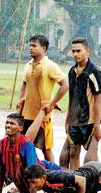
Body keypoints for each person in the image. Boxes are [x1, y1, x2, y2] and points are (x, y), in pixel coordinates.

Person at [17, 34, 68, 162]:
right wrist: (20, 100)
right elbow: (24, 84)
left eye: (34, 46)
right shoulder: (27, 65)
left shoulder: (50, 65)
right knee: (22, 147)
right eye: (30, 46)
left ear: (44, 48)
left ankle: (54, 175)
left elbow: (65, 85)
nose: (31, 48)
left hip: (42, 116)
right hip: (25, 114)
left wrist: (52, 103)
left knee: (46, 149)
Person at [0, 112, 60, 193]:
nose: (8, 125)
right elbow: (1, 169)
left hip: (47, 171)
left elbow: (33, 171)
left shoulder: (27, 144)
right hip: (22, 177)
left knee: (71, 186)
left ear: (20, 128)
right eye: (7, 122)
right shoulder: (2, 143)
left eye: (12, 123)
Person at [61, 37, 101, 169]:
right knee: (73, 152)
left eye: (79, 51)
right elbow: (71, 97)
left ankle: (93, 184)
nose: (75, 54)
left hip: (89, 121)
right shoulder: (72, 71)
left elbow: (98, 99)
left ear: (88, 51)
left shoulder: (94, 72)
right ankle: (76, 183)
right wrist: (68, 119)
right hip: (74, 121)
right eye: (73, 51)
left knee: (90, 158)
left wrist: (97, 125)